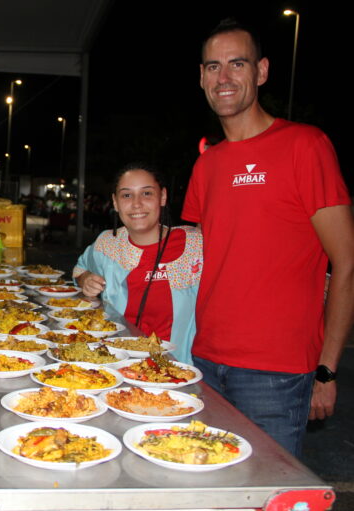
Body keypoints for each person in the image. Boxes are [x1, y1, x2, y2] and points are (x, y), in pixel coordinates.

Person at [182, 19, 354, 456]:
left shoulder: (305, 146)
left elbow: (346, 262)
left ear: (261, 71)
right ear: (201, 77)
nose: (224, 78)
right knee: (208, 490)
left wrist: (327, 370)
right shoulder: (207, 164)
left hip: (276, 374)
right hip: (204, 360)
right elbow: (193, 261)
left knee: (268, 498)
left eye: (236, 64)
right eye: (213, 67)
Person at [73, 164, 202, 364]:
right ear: (115, 202)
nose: (136, 204)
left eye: (147, 193)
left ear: (163, 197)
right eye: (126, 195)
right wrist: (85, 280)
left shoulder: (196, 244)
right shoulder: (107, 244)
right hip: (115, 363)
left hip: (176, 368)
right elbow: (79, 269)